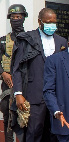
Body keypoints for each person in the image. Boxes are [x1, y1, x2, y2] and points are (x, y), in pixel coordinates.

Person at [11, 8, 68, 142]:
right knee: (34, 132)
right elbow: (17, 68)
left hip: (56, 97)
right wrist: (18, 93)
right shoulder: (27, 39)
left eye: (54, 22)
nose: (51, 25)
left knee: (54, 133)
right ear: (39, 22)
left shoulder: (62, 42)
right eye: (48, 22)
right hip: (34, 95)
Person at [0, 4, 28, 142]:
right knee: (7, 114)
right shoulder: (3, 41)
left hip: (25, 83)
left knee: (25, 114)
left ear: (23, 18)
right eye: (13, 17)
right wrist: (3, 74)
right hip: (8, 84)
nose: (16, 19)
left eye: (18, 16)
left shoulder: (29, 39)